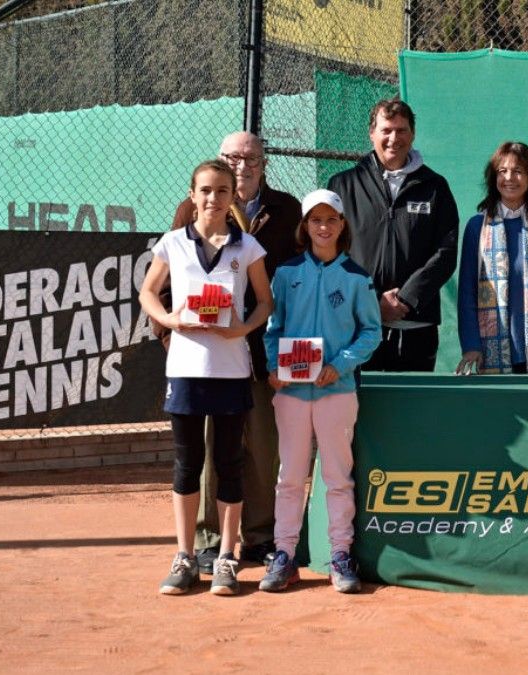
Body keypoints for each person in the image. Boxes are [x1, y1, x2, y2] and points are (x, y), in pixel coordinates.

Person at [169, 131, 302, 573]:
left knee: (263, 448)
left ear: (264, 164)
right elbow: (166, 284)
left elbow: (290, 285)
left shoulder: (287, 210)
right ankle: (208, 540)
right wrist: (175, 338)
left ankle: (261, 536)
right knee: (209, 451)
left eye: (251, 159)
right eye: (232, 157)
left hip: (263, 355)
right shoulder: (191, 210)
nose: (242, 165)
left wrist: (266, 337)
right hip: (203, 358)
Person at [140, 159, 274, 595]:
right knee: (187, 463)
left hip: (231, 370)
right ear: (192, 195)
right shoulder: (173, 244)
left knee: (230, 464)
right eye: (205, 190)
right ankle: (183, 556)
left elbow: (265, 303)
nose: (213, 198)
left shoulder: (247, 247)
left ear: (233, 195)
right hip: (184, 369)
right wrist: (170, 318)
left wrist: (242, 328)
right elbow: (147, 291)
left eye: (221, 190)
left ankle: (227, 558)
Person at [259, 189, 381, 594]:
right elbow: (272, 328)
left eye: (331, 220)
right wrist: (275, 366)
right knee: (290, 476)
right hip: (291, 394)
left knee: (337, 477)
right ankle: (284, 555)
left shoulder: (357, 278)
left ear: (342, 225)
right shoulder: (286, 273)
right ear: (305, 226)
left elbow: (371, 332)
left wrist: (339, 364)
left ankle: (340, 554)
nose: (323, 227)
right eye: (315, 220)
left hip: (337, 390)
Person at [328, 98, 459, 372]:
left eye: (401, 130)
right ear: (371, 133)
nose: (393, 139)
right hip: (357, 325)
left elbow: (445, 253)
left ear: (412, 134)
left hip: (416, 325)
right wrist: (372, 303)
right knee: (359, 412)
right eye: (386, 130)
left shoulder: (435, 187)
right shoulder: (341, 185)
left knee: (412, 412)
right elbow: (331, 253)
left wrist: (405, 298)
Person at [455, 141, 528, 375]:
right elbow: (467, 291)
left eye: (518, 171)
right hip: (488, 350)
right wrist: (471, 345)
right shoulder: (478, 227)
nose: (509, 178)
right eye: (502, 171)